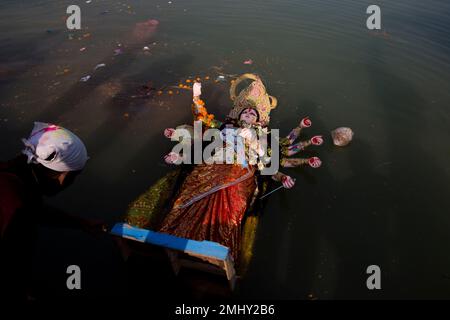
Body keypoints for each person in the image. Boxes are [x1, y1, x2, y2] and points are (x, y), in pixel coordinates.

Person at [159, 78, 322, 262]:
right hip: (212, 166)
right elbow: (202, 120)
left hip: (241, 174)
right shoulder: (224, 126)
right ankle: (174, 233)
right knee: (191, 192)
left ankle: (217, 248)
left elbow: (268, 158)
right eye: (246, 111)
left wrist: (281, 170)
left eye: (253, 113)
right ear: (238, 114)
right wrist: (196, 96)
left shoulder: (262, 136)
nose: (250, 113)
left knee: (231, 207)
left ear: (258, 121)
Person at [0, 122, 103, 300]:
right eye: (74, 177)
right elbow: (11, 262)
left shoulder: (15, 175)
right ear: (63, 177)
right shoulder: (15, 212)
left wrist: (79, 223)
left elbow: (33, 209)